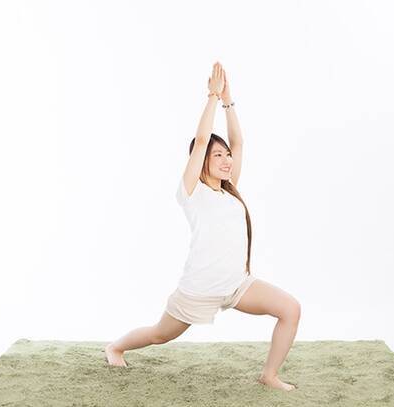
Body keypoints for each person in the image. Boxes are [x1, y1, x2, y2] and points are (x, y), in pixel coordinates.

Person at [105, 61, 301, 391]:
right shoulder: (192, 192)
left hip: (237, 285)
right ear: (202, 162)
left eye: (227, 156)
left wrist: (228, 100)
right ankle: (115, 347)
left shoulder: (229, 191)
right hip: (199, 289)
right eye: (218, 156)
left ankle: (269, 375)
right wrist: (211, 96)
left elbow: (239, 143)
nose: (227, 160)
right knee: (159, 334)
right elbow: (200, 140)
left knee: (291, 309)